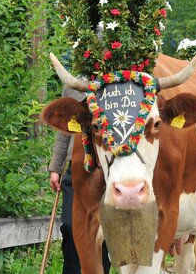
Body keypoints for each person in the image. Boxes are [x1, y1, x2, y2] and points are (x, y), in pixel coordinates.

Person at [48, 87, 111, 274]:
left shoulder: (116, 86)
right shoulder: (73, 87)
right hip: (76, 170)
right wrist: (55, 168)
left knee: (103, 230)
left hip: (108, 171)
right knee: (69, 226)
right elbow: (63, 131)